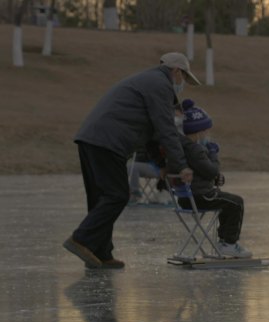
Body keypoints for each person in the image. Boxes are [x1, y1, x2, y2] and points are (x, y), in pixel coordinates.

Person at [63, 52, 199, 269]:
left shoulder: (148, 80)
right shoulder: (160, 85)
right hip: (108, 142)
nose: (182, 84)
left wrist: (162, 166)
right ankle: (81, 239)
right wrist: (181, 165)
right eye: (184, 77)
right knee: (117, 195)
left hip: (92, 138)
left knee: (101, 198)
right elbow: (166, 129)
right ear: (176, 71)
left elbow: (152, 133)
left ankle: (101, 253)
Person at [178, 99, 252, 258]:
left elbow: (204, 173)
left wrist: (215, 177)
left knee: (227, 201)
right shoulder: (195, 150)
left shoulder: (181, 147)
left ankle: (224, 241)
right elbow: (211, 171)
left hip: (187, 196)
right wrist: (213, 154)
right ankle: (229, 243)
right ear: (198, 131)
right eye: (206, 131)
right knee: (236, 202)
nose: (207, 135)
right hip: (201, 196)